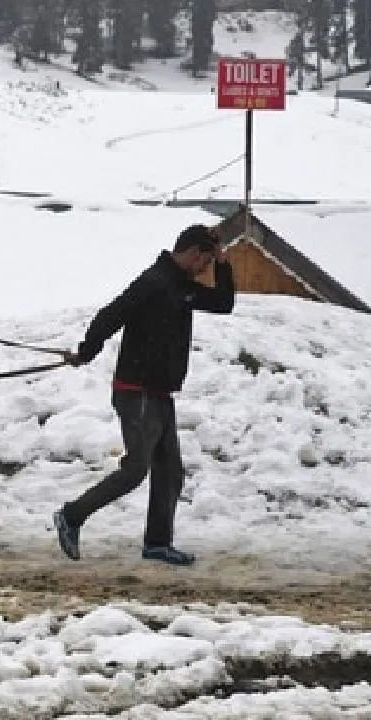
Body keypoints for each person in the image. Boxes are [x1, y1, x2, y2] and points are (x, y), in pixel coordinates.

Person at [53, 224, 234, 566]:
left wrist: (223, 261)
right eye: (206, 262)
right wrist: (86, 352)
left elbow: (224, 304)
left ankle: (157, 543)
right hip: (136, 393)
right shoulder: (154, 282)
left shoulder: (182, 288)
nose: (205, 270)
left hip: (159, 393)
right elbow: (111, 315)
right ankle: (72, 516)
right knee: (136, 469)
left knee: (170, 472)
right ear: (194, 253)